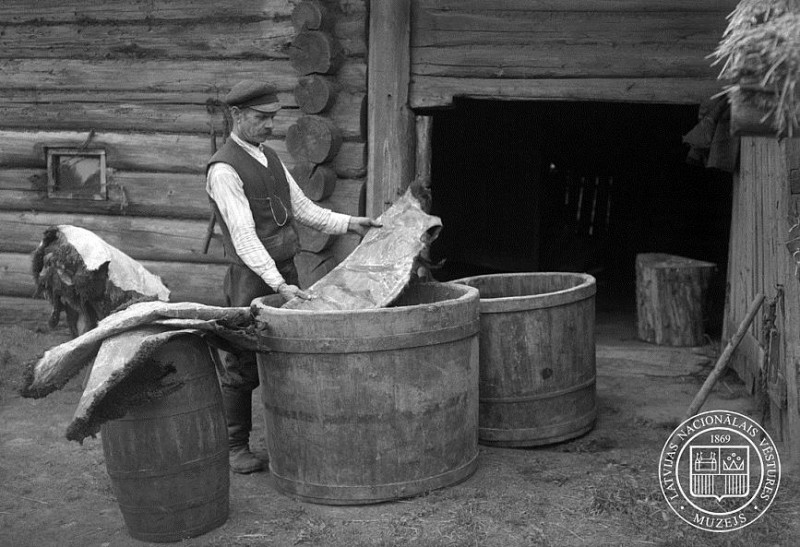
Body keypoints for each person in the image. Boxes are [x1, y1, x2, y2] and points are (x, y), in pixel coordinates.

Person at [206, 79, 381, 473]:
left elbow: (304, 209)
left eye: (273, 118)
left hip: (281, 273)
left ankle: (291, 434)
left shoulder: (269, 158)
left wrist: (352, 223)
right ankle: (235, 448)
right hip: (250, 278)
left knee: (286, 354)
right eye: (260, 118)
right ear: (237, 116)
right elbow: (245, 238)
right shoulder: (223, 170)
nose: (270, 126)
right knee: (241, 363)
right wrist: (279, 284)